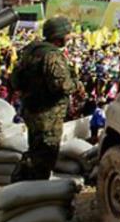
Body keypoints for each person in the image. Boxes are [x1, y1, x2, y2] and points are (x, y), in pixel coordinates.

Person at [10, 17, 80, 181]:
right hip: (47, 113)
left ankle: (21, 184)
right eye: (67, 34)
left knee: (35, 149)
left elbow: (15, 80)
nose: (69, 38)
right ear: (58, 35)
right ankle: (33, 189)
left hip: (31, 108)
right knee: (45, 154)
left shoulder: (32, 50)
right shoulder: (52, 55)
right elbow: (62, 85)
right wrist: (77, 84)